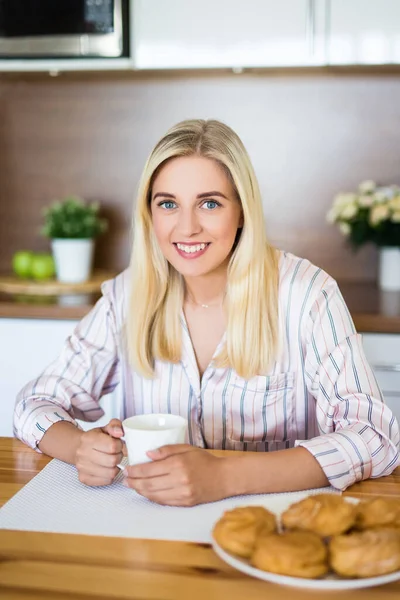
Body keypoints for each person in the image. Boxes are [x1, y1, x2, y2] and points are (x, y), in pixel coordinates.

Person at [14, 119, 399, 506]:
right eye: (168, 204)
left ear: (243, 211)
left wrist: (224, 475)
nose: (187, 227)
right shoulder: (126, 296)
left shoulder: (307, 295)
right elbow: (34, 404)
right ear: (149, 214)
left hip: (274, 525)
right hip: (151, 528)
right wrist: (80, 446)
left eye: (210, 203)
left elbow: (375, 437)